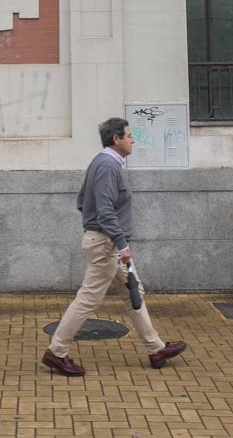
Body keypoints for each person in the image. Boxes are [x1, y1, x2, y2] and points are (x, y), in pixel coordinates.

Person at [42, 117, 187, 376]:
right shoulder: (108, 165)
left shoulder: (103, 162)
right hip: (107, 244)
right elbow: (105, 208)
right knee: (87, 300)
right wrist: (119, 242)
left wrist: (95, 224)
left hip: (105, 240)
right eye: (129, 136)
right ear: (116, 139)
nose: (133, 140)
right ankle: (57, 352)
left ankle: (156, 349)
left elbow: (82, 201)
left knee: (134, 292)